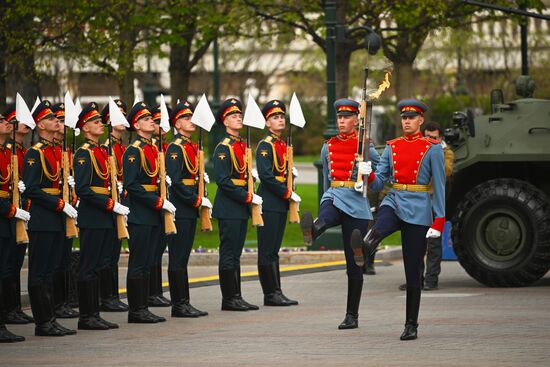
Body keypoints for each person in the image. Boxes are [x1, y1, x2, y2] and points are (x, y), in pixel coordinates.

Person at [351, 98, 445, 340]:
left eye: (411, 117)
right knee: (380, 225)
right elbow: (380, 181)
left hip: (419, 207)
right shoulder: (392, 146)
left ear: (421, 120)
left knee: (413, 271)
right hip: (394, 199)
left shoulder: (432, 148)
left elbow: (440, 187)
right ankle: (363, 248)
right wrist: (368, 173)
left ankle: (411, 324)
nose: (407, 121)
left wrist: (439, 221)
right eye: (404, 118)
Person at [300, 98, 380, 329]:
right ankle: (313, 231)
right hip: (335, 195)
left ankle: (352, 316)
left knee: (354, 263)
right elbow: (327, 178)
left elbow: (378, 182)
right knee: (326, 214)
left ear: (357, 120)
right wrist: (327, 197)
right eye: (339, 117)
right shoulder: (329, 146)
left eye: (346, 117)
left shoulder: (367, 147)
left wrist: (369, 171)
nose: (342, 121)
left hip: (357, 205)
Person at [24, 100, 78, 336]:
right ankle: (42, 322)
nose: (57, 121)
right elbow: (32, 189)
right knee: (40, 271)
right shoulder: (35, 154)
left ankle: (50, 318)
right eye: (51, 119)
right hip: (43, 218)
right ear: (40, 125)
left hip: (57, 218)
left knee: (51, 270)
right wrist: (59, 204)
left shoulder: (56, 151)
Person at [73, 102, 128, 330]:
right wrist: (109, 203)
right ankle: (86, 316)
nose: (100, 124)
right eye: (95, 122)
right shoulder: (84, 153)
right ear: (85, 128)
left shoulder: (101, 151)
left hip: (104, 216)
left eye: (100, 121)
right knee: (88, 266)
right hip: (93, 216)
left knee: (96, 266)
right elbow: (84, 189)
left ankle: (94, 313)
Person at [123, 101, 176, 323]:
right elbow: (132, 185)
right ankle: (136, 310)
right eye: (145, 119)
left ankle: (143, 306)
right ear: (136, 125)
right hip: (141, 213)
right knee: (139, 262)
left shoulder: (153, 149)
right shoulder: (134, 151)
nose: (151, 121)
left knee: (148, 262)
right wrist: (157, 202)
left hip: (154, 213)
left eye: (150, 118)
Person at [212, 98, 262, 311]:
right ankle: (229, 298)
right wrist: (247, 197)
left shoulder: (241, 145)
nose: (239, 117)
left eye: (239, 114)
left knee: (236, 253)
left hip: (240, 207)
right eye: (233, 115)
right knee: (229, 253)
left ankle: (237, 296)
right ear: (225, 121)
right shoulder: (223, 148)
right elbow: (223, 181)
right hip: (230, 207)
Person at [165, 100, 211, 317]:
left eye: (191, 116)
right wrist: (195, 200)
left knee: (183, 257)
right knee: (178, 257)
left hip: (189, 208)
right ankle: (179, 304)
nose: (191, 121)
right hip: (181, 208)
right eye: (185, 118)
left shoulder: (191, 146)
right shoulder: (175, 148)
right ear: (176, 123)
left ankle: (184, 301)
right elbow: (176, 181)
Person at [398, 121, 454, 292]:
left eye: (433, 137)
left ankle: (431, 279)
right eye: (427, 137)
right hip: (418, 200)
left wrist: (434, 154)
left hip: (433, 201)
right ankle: (415, 279)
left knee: (434, 244)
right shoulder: (419, 149)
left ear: (440, 138)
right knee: (415, 243)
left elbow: (447, 171)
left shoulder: (446, 152)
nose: (429, 140)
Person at [254, 99, 300, 306]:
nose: (280, 120)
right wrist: (287, 193)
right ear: (267, 123)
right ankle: (270, 293)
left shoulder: (283, 144)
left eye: (281, 116)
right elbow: (266, 176)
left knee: (274, 249)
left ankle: (277, 290)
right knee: (267, 249)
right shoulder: (266, 145)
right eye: (275, 117)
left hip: (280, 202)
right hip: (271, 201)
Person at [2, 104, 34, 325]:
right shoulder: (9, 151)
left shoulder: (19, 151)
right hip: (7, 213)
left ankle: (13, 309)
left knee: (13, 265)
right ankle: (7, 312)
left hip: (20, 212)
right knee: (6, 266)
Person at [99, 99, 130, 312]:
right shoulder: (106, 148)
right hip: (110, 204)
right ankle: (105, 297)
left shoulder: (122, 147)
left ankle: (112, 295)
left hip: (123, 203)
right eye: (118, 114)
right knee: (107, 253)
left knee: (114, 254)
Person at [146, 105, 172, 308]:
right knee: (150, 252)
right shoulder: (151, 147)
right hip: (151, 202)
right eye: (157, 122)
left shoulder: (165, 146)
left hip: (164, 202)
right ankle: (149, 293)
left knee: (158, 249)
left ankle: (155, 290)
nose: (162, 126)